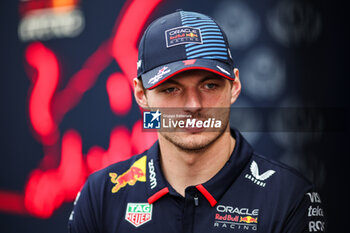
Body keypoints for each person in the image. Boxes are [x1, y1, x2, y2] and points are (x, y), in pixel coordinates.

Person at [68, 10, 326, 232]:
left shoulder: (289, 197)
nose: (193, 105)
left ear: (234, 86)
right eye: (171, 89)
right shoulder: (101, 195)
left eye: (210, 85)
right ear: (141, 95)